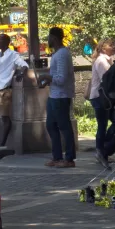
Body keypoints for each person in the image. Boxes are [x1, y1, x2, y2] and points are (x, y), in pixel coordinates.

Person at [40, 27, 76, 168]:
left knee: (64, 126)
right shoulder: (56, 54)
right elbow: (55, 77)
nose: (47, 40)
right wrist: (45, 81)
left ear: (54, 38)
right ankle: (57, 157)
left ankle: (69, 158)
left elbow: (61, 78)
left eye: (48, 37)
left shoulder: (62, 54)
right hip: (54, 95)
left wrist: (46, 76)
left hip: (61, 96)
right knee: (51, 125)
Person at [89, 39, 115, 168]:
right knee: (104, 124)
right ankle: (101, 150)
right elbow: (107, 80)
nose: (113, 47)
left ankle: (103, 150)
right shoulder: (102, 61)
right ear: (104, 48)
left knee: (108, 123)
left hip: (101, 97)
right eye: (111, 45)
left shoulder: (106, 60)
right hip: (100, 97)